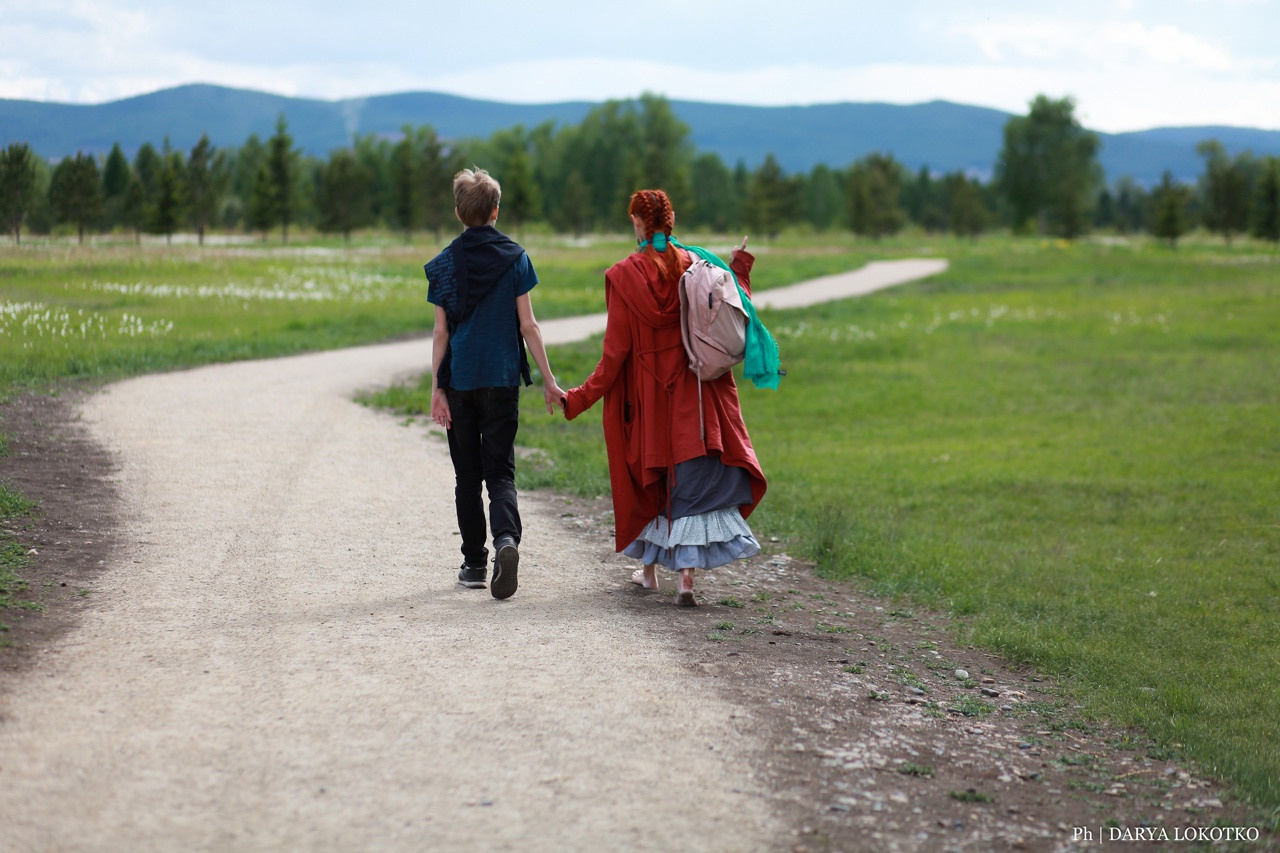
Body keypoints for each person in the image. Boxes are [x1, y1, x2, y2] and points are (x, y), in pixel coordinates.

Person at [561, 189, 766, 607]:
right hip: (697, 397)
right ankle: (683, 579)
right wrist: (740, 265)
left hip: (649, 402)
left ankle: (651, 572)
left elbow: (613, 357)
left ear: (638, 224)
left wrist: (577, 399)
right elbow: (734, 307)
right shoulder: (697, 264)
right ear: (670, 223)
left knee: (651, 482)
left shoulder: (624, 276)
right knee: (690, 482)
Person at [425, 168, 564, 600]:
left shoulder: (444, 264)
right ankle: (506, 540)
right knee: (500, 472)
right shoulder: (515, 258)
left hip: (460, 381)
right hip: (502, 380)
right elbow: (529, 325)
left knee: (467, 477)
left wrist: (436, 388)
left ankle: (474, 564)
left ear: (458, 213)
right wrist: (549, 380)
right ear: (496, 211)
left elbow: (441, 333)